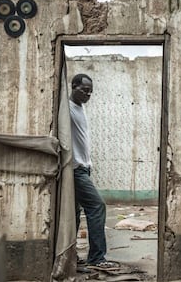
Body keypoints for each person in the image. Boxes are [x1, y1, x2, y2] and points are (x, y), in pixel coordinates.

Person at [69, 73, 115, 268]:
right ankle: (97, 258)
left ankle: (69, 257)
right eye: (84, 90)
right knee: (97, 206)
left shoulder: (80, 107)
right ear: (73, 87)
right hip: (75, 169)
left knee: (74, 213)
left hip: (84, 168)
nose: (88, 95)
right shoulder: (67, 107)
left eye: (90, 92)